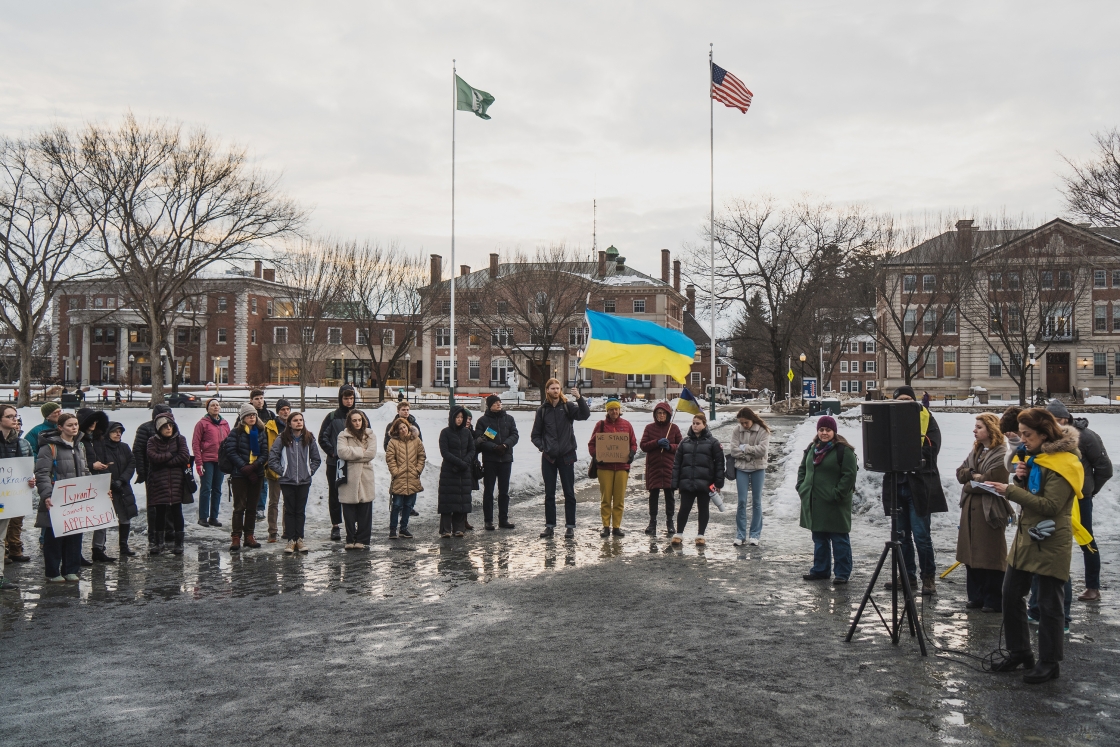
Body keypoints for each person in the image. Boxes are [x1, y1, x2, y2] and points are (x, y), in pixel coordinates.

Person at [987, 408, 1085, 684]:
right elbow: (1033, 493)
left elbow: (1051, 506)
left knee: (1049, 603)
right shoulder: (1037, 459)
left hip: (1051, 539)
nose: (1023, 439)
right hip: (1027, 537)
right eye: (1021, 434)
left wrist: (1010, 490)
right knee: (1010, 594)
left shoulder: (1065, 463)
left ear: (1044, 434)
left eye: (1027, 434)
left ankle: (1049, 662)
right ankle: (1020, 652)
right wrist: (1020, 479)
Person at [881, 385, 947, 595]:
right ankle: (906, 575)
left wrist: (907, 453)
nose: (904, 404)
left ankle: (928, 577)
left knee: (921, 536)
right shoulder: (888, 421)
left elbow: (931, 449)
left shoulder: (927, 420)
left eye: (907, 400)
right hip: (897, 485)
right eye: (899, 400)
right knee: (900, 536)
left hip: (919, 486)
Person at [1046, 400, 1110, 603]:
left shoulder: (1086, 437)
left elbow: (1104, 468)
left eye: (1055, 419)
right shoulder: (1046, 436)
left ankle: (1093, 587)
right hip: (1054, 496)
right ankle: (1049, 585)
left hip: (1079, 497)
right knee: (1049, 540)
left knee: (1086, 539)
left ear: (1065, 419)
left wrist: (1089, 490)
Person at [954, 413, 1011, 612]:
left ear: (991, 429)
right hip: (970, 509)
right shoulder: (976, 451)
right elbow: (960, 473)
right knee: (971, 553)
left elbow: (992, 480)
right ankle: (976, 596)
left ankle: (993, 599)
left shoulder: (1002, 454)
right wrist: (973, 475)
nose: (974, 430)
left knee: (990, 554)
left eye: (979, 427)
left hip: (990, 510)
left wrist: (970, 481)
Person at [796, 415, 858, 583]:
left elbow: (849, 475)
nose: (824, 433)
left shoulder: (844, 451)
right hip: (816, 502)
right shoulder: (812, 448)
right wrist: (801, 487)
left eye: (828, 430)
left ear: (834, 431)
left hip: (835, 503)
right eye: (821, 429)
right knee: (819, 539)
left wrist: (836, 494)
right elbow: (803, 469)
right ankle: (820, 570)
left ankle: (842, 573)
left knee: (839, 539)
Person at [530, 379, 590, 539]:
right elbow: (535, 435)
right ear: (547, 390)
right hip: (548, 458)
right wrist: (543, 447)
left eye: (557, 388)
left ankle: (570, 526)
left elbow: (585, 415)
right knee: (549, 494)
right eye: (552, 388)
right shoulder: (542, 410)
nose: (555, 391)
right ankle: (549, 526)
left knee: (569, 493)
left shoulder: (568, 406)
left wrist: (579, 398)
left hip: (566, 456)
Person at [34, 412, 86, 583]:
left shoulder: (80, 446)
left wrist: (95, 491)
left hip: (76, 498)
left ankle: (71, 569)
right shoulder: (49, 448)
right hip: (56, 498)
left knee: (75, 535)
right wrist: (47, 495)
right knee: (54, 536)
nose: (74, 428)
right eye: (70, 425)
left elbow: (85, 471)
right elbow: (42, 473)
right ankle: (52, 571)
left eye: (76, 424)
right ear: (60, 427)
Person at [9, 402, 61, 565]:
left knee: (17, 517)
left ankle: (15, 547)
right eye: (56, 412)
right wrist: (42, 464)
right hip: (9, 483)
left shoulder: (23, 442)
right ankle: (8, 549)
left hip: (21, 483)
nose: (59, 414)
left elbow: (27, 456)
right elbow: (33, 454)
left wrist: (29, 474)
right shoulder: (36, 432)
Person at [267, 411, 321, 554]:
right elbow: (272, 459)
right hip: (287, 481)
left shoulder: (309, 438)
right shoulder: (282, 438)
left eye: (300, 420)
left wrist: (309, 471)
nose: (299, 422)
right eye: (295, 420)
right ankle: (291, 540)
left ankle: (300, 539)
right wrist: (283, 471)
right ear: (289, 423)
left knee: (300, 511)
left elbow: (316, 459)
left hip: (304, 481)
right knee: (290, 510)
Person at [671, 412, 724, 545]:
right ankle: (679, 533)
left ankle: (701, 535)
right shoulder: (684, 442)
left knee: (703, 508)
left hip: (705, 483)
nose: (695, 426)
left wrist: (718, 482)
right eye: (693, 423)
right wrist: (675, 482)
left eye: (698, 423)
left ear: (704, 424)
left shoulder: (713, 443)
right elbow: (677, 463)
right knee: (684, 508)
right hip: (687, 482)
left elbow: (719, 464)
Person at [588, 396, 637, 538]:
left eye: (616, 409)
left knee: (619, 499)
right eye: (611, 409)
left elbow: (633, 443)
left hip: (622, 467)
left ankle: (616, 526)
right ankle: (605, 526)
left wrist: (632, 452)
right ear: (607, 411)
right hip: (605, 467)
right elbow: (592, 444)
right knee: (606, 498)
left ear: (619, 410)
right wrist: (596, 456)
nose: (614, 412)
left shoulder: (627, 425)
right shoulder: (601, 425)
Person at [145, 412, 191, 556]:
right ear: (159, 428)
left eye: (170, 425)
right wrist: (171, 455)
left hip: (176, 481)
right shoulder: (152, 441)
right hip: (159, 482)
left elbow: (184, 456)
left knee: (177, 511)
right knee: (160, 512)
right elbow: (153, 457)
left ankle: (179, 543)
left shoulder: (180, 439)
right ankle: (159, 543)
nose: (169, 428)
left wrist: (165, 462)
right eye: (165, 426)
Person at [0, 404, 35, 590]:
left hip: (7, 498)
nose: (15, 419)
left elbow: (26, 469)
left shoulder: (21, 443)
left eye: (16, 416)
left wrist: (29, 480)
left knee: (0, 537)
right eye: (10, 416)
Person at [224, 403, 266, 552]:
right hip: (239, 474)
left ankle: (249, 536)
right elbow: (231, 451)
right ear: (243, 418)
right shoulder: (236, 432)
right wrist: (244, 467)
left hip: (256, 473)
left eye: (253, 415)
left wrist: (254, 467)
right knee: (239, 507)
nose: (252, 417)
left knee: (252, 507)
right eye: (249, 415)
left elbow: (265, 452)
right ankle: (236, 537)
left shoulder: (261, 431)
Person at [318, 385, 356, 542]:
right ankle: (335, 526)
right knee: (335, 495)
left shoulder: (359, 416)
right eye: (346, 398)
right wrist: (333, 452)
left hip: (354, 463)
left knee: (353, 494)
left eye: (351, 398)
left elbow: (367, 435)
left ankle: (352, 525)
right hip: (335, 463)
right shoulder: (332, 417)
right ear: (341, 399)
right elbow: (322, 437)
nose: (349, 401)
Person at [474, 394, 518, 531]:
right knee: (489, 491)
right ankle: (488, 521)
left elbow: (514, 435)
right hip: (490, 460)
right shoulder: (483, 421)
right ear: (489, 405)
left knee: (504, 491)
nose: (499, 404)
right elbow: (480, 439)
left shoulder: (509, 419)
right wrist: (494, 447)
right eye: (495, 403)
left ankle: (503, 519)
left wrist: (505, 445)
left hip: (506, 459)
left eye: (499, 402)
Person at [79, 408, 117, 562]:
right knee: (81, 517)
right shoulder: (79, 439)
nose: (93, 424)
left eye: (95, 421)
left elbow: (104, 456)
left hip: (100, 480)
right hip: (84, 481)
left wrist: (105, 466)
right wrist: (92, 465)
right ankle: (77, 551)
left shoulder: (99, 439)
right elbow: (77, 461)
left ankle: (98, 548)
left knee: (102, 515)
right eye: (91, 421)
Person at [730, 406, 771, 547]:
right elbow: (733, 450)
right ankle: (740, 535)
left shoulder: (763, 431)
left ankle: (755, 534)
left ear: (752, 419)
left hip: (758, 468)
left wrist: (745, 448)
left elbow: (762, 450)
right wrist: (749, 454)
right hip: (741, 468)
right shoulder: (737, 430)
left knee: (756, 501)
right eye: (741, 423)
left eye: (746, 422)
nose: (744, 425)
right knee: (741, 501)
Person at [639, 401, 682, 536]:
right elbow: (643, 445)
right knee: (653, 495)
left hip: (669, 467)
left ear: (668, 414)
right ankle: (652, 522)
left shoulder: (674, 428)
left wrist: (670, 447)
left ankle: (670, 522)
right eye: (659, 413)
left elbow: (681, 446)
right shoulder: (649, 428)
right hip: (654, 467)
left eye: (663, 413)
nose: (661, 415)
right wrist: (656, 443)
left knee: (670, 496)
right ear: (655, 415)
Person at [336, 409, 377, 549]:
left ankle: (363, 539)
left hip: (365, 475)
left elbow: (371, 453)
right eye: (354, 420)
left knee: (365, 509)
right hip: (348, 475)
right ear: (350, 422)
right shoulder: (343, 435)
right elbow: (342, 452)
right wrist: (361, 451)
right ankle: (350, 539)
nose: (357, 423)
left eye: (359, 420)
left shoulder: (370, 435)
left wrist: (352, 454)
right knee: (348, 510)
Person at [438, 405, 476, 538]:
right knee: (447, 500)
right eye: (457, 417)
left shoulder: (467, 433)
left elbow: (472, 449)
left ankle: (459, 528)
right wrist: (459, 463)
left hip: (463, 471)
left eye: (462, 417)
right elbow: (445, 452)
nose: (460, 419)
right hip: (449, 471)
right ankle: (445, 529)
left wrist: (465, 462)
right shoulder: (445, 432)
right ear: (452, 418)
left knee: (461, 499)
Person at [192, 398, 230, 528]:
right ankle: (203, 517)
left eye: (217, 405)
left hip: (220, 461)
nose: (215, 407)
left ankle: (214, 517)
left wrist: (228, 460)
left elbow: (229, 442)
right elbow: (196, 443)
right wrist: (199, 462)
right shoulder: (202, 424)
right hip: (207, 460)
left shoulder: (224, 423)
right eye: (213, 405)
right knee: (206, 488)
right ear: (208, 409)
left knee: (217, 489)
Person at [386, 417, 426, 539]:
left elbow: (421, 456)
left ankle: (403, 528)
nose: (403, 430)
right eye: (400, 428)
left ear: (408, 427)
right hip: (399, 478)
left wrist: (418, 470)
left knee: (408, 505)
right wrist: (395, 472)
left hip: (413, 477)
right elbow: (390, 458)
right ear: (397, 430)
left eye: (404, 427)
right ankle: (393, 529)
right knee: (397, 505)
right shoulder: (393, 442)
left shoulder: (416, 440)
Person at [103, 422, 138, 557]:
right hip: (107, 488)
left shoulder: (124, 447)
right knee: (104, 518)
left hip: (123, 487)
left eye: (120, 432)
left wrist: (122, 480)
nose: (118, 434)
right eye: (114, 431)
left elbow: (131, 463)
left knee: (125, 516)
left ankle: (124, 546)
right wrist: (111, 482)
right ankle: (100, 547)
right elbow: (101, 467)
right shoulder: (102, 448)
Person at [263, 398, 290, 542]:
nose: (285, 412)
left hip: (289, 469)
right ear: (278, 411)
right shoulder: (270, 427)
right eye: (282, 409)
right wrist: (267, 464)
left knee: (288, 502)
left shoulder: (293, 425)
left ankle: (287, 530)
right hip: (274, 469)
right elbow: (265, 446)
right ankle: (272, 531)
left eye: (287, 409)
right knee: (274, 502)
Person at [250, 389, 275, 520]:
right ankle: (250, 507)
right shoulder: (247, 414)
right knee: (250, 482)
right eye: (257, 399)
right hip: (250, 453)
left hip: (266, 452)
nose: (260, 401)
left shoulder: (270, 414)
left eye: (261, 398)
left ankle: (260, 508)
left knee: (263, 483)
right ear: (251, 400)